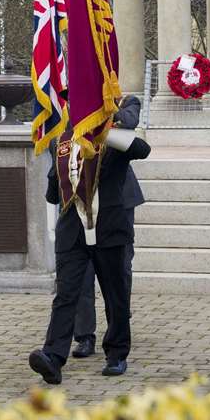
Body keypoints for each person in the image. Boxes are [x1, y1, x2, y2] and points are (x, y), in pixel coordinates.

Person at [30, 99, 151, 382]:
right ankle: (53, 356)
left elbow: (142, 149)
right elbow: (53, 191)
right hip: (73, 228)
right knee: (67, 294)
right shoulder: (62, 140)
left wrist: (103, 130)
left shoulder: (112, 135)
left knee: (115, 292)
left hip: (109, 225)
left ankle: (117, 353)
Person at [68, 96, 145, 358]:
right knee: (83, 273)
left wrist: (100, 115)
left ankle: (118, 328)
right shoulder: (75, 104)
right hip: (82, 196)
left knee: (119, 270)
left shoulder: (126, 101)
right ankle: (84, 335)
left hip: (117, 200)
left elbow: (130, 120)